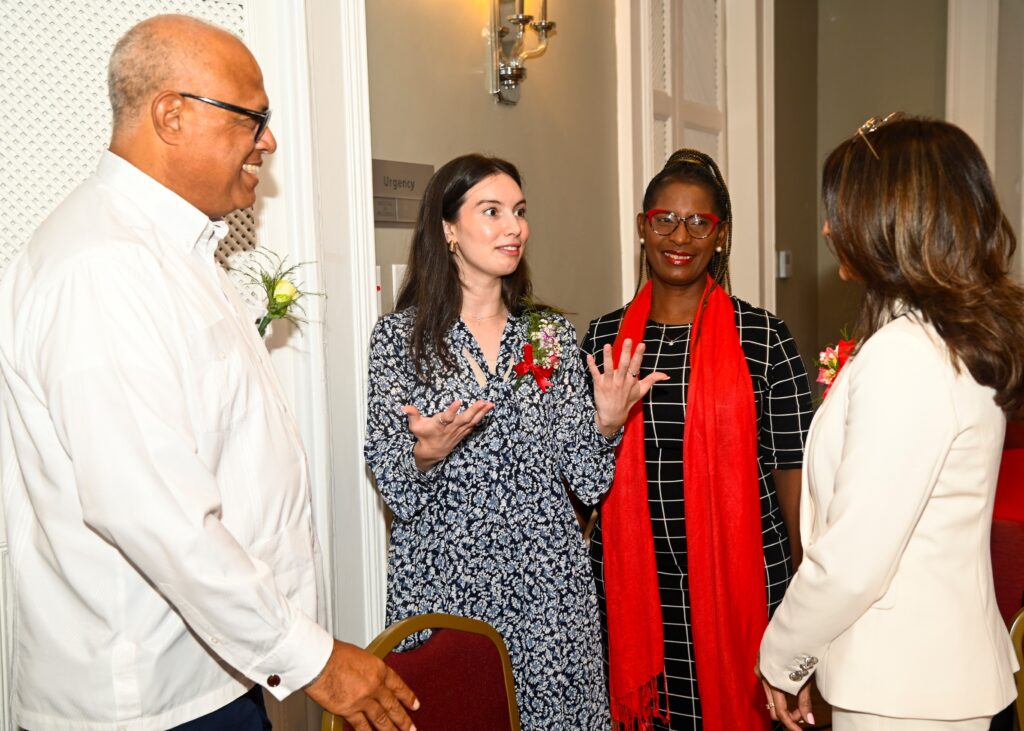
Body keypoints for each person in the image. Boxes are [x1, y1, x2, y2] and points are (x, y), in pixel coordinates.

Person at [0, 14, 417, 731]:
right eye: (253, 117)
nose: (269, 140)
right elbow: (153, 512)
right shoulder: (103, 266)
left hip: (210, 672)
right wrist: (313, 657)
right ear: (171, 114)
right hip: (146, 700)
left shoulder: (173, 251)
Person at [364, 153, 664, 730]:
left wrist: (605, 424)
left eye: (520, 212)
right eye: (492, 211)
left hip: (548, 590)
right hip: (447, 587)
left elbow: (587, 479)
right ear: (448, 229)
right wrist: (423, 454)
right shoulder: (399, 340)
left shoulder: (546, 334)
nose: (514, 227)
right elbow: (394, 488)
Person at [758, 116, 1024, 731]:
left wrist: (782, 655)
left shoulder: (908, 354)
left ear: (890, 219)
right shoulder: (951, 340)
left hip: (907, 694)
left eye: (841, 209)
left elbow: (855, 556)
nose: (827, 228)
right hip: (937, 674)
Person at [581, 149, 813, 730]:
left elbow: (793, 471)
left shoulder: (764, 337)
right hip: (636, 585)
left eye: (699, 222)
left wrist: (807, 598)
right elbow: (580, 467)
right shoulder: (605, 339)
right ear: (642, 226)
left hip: (744, 586)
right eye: (664, 219)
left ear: (721, 235)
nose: (679, 236)